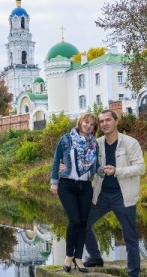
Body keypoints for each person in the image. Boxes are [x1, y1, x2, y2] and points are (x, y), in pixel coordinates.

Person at [84, 109, 145, 277]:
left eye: (108, 120)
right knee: (81, 223)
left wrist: (117, 171)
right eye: (101, 121)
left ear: (116, 121)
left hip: (123, 195)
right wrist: (65, 167)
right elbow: (85, 165)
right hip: (101, 195)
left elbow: (140, 167)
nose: (104, 123)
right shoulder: (96, 143)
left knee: (130, 236)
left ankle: (133, 272)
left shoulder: (130, 143)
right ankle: (95, 257)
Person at [50, 113, 99, 273]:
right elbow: (57, 160)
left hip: (85, 187)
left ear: (94, 128)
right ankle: (68, 256)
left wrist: (103, 170)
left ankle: (79, 258)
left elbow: (95, 166)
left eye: (92, 124)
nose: (88, 126)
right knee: (74, 221)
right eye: (86, 122)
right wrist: (54, 182)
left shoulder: (94, 144)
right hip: (67, 186)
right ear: (80, 122)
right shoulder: (66, 139)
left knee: (84, 223)